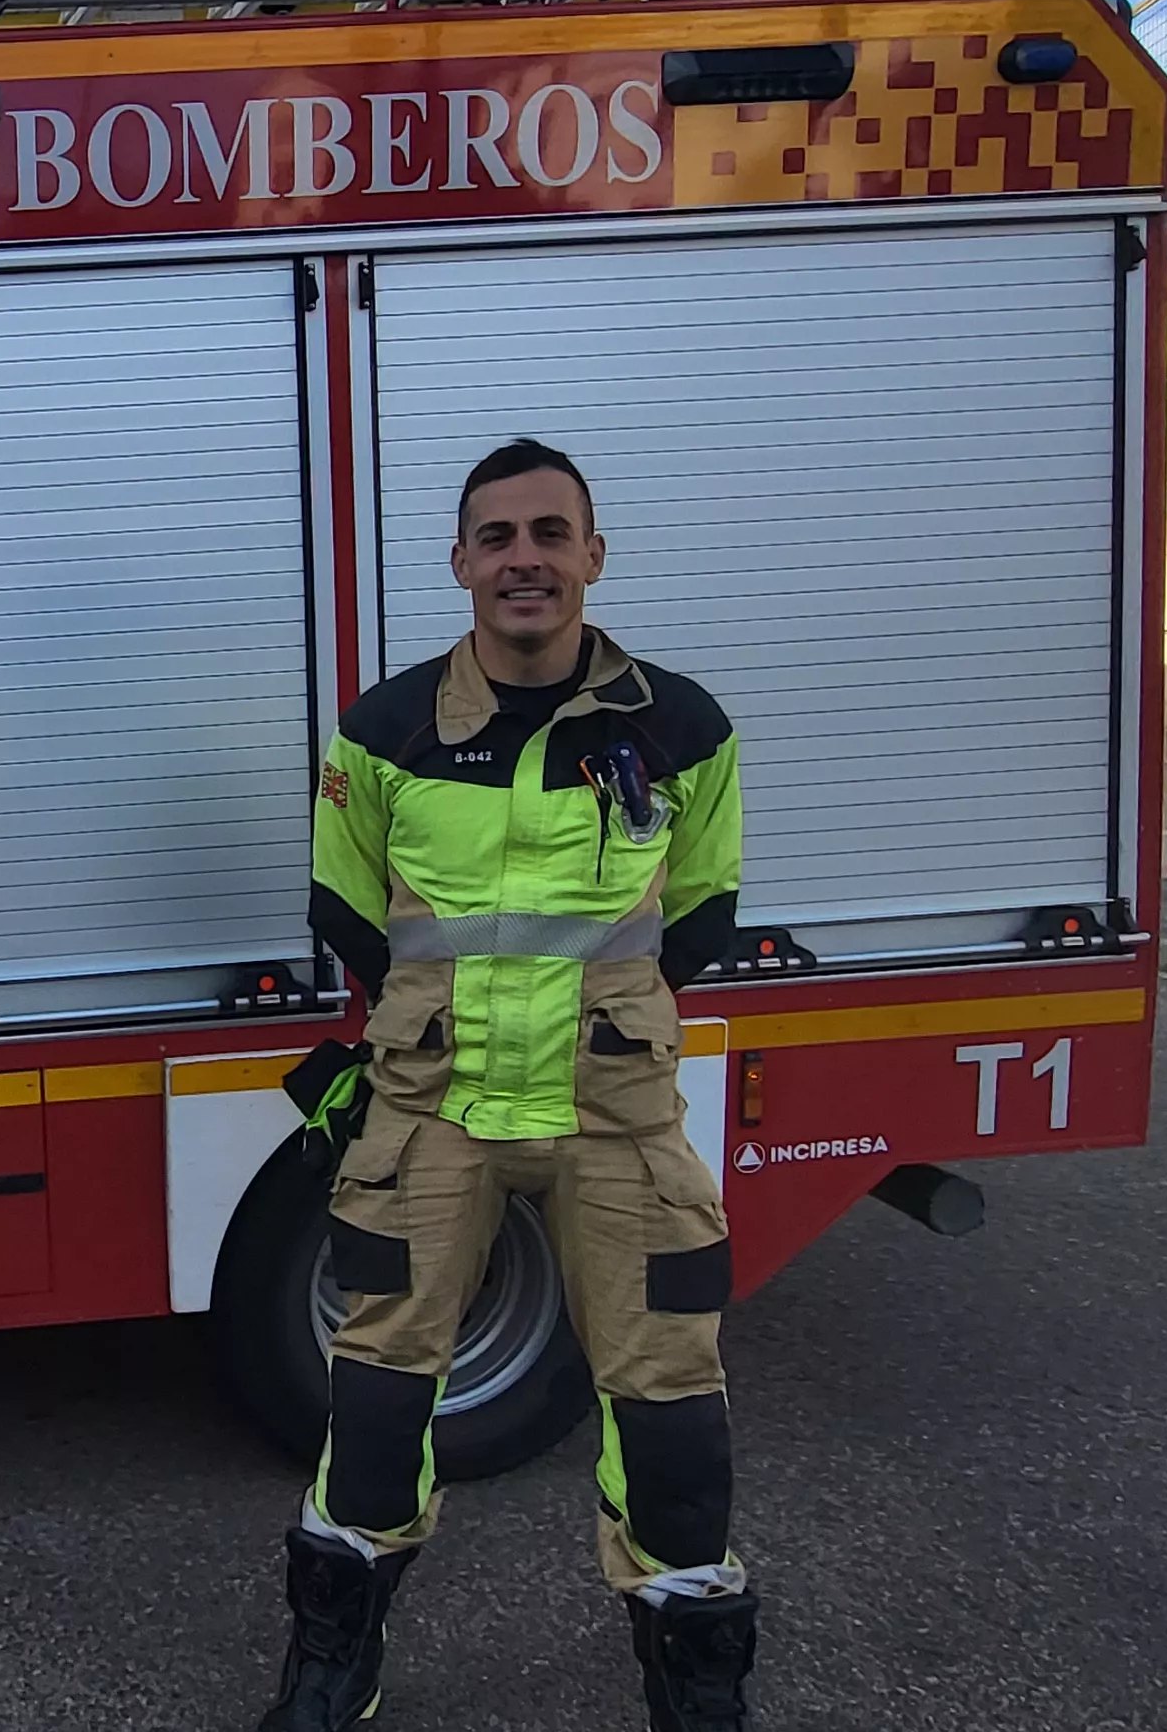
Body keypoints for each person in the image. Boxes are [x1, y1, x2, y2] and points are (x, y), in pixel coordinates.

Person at [261, 438, 752, 1731]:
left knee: (673, 1412)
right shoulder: (385, 731)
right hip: (433, 1116)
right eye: (497, 537)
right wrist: (430, 1026)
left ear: (594, 553)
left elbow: (703, 910)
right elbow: (342, 900)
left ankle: (696, 1683)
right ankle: (333, 1664)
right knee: (373, 1395)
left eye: (549, 533)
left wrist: (611, 1027)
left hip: (616, 1118)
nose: (523, 558)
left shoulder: (682, 727)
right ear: (460, 563)